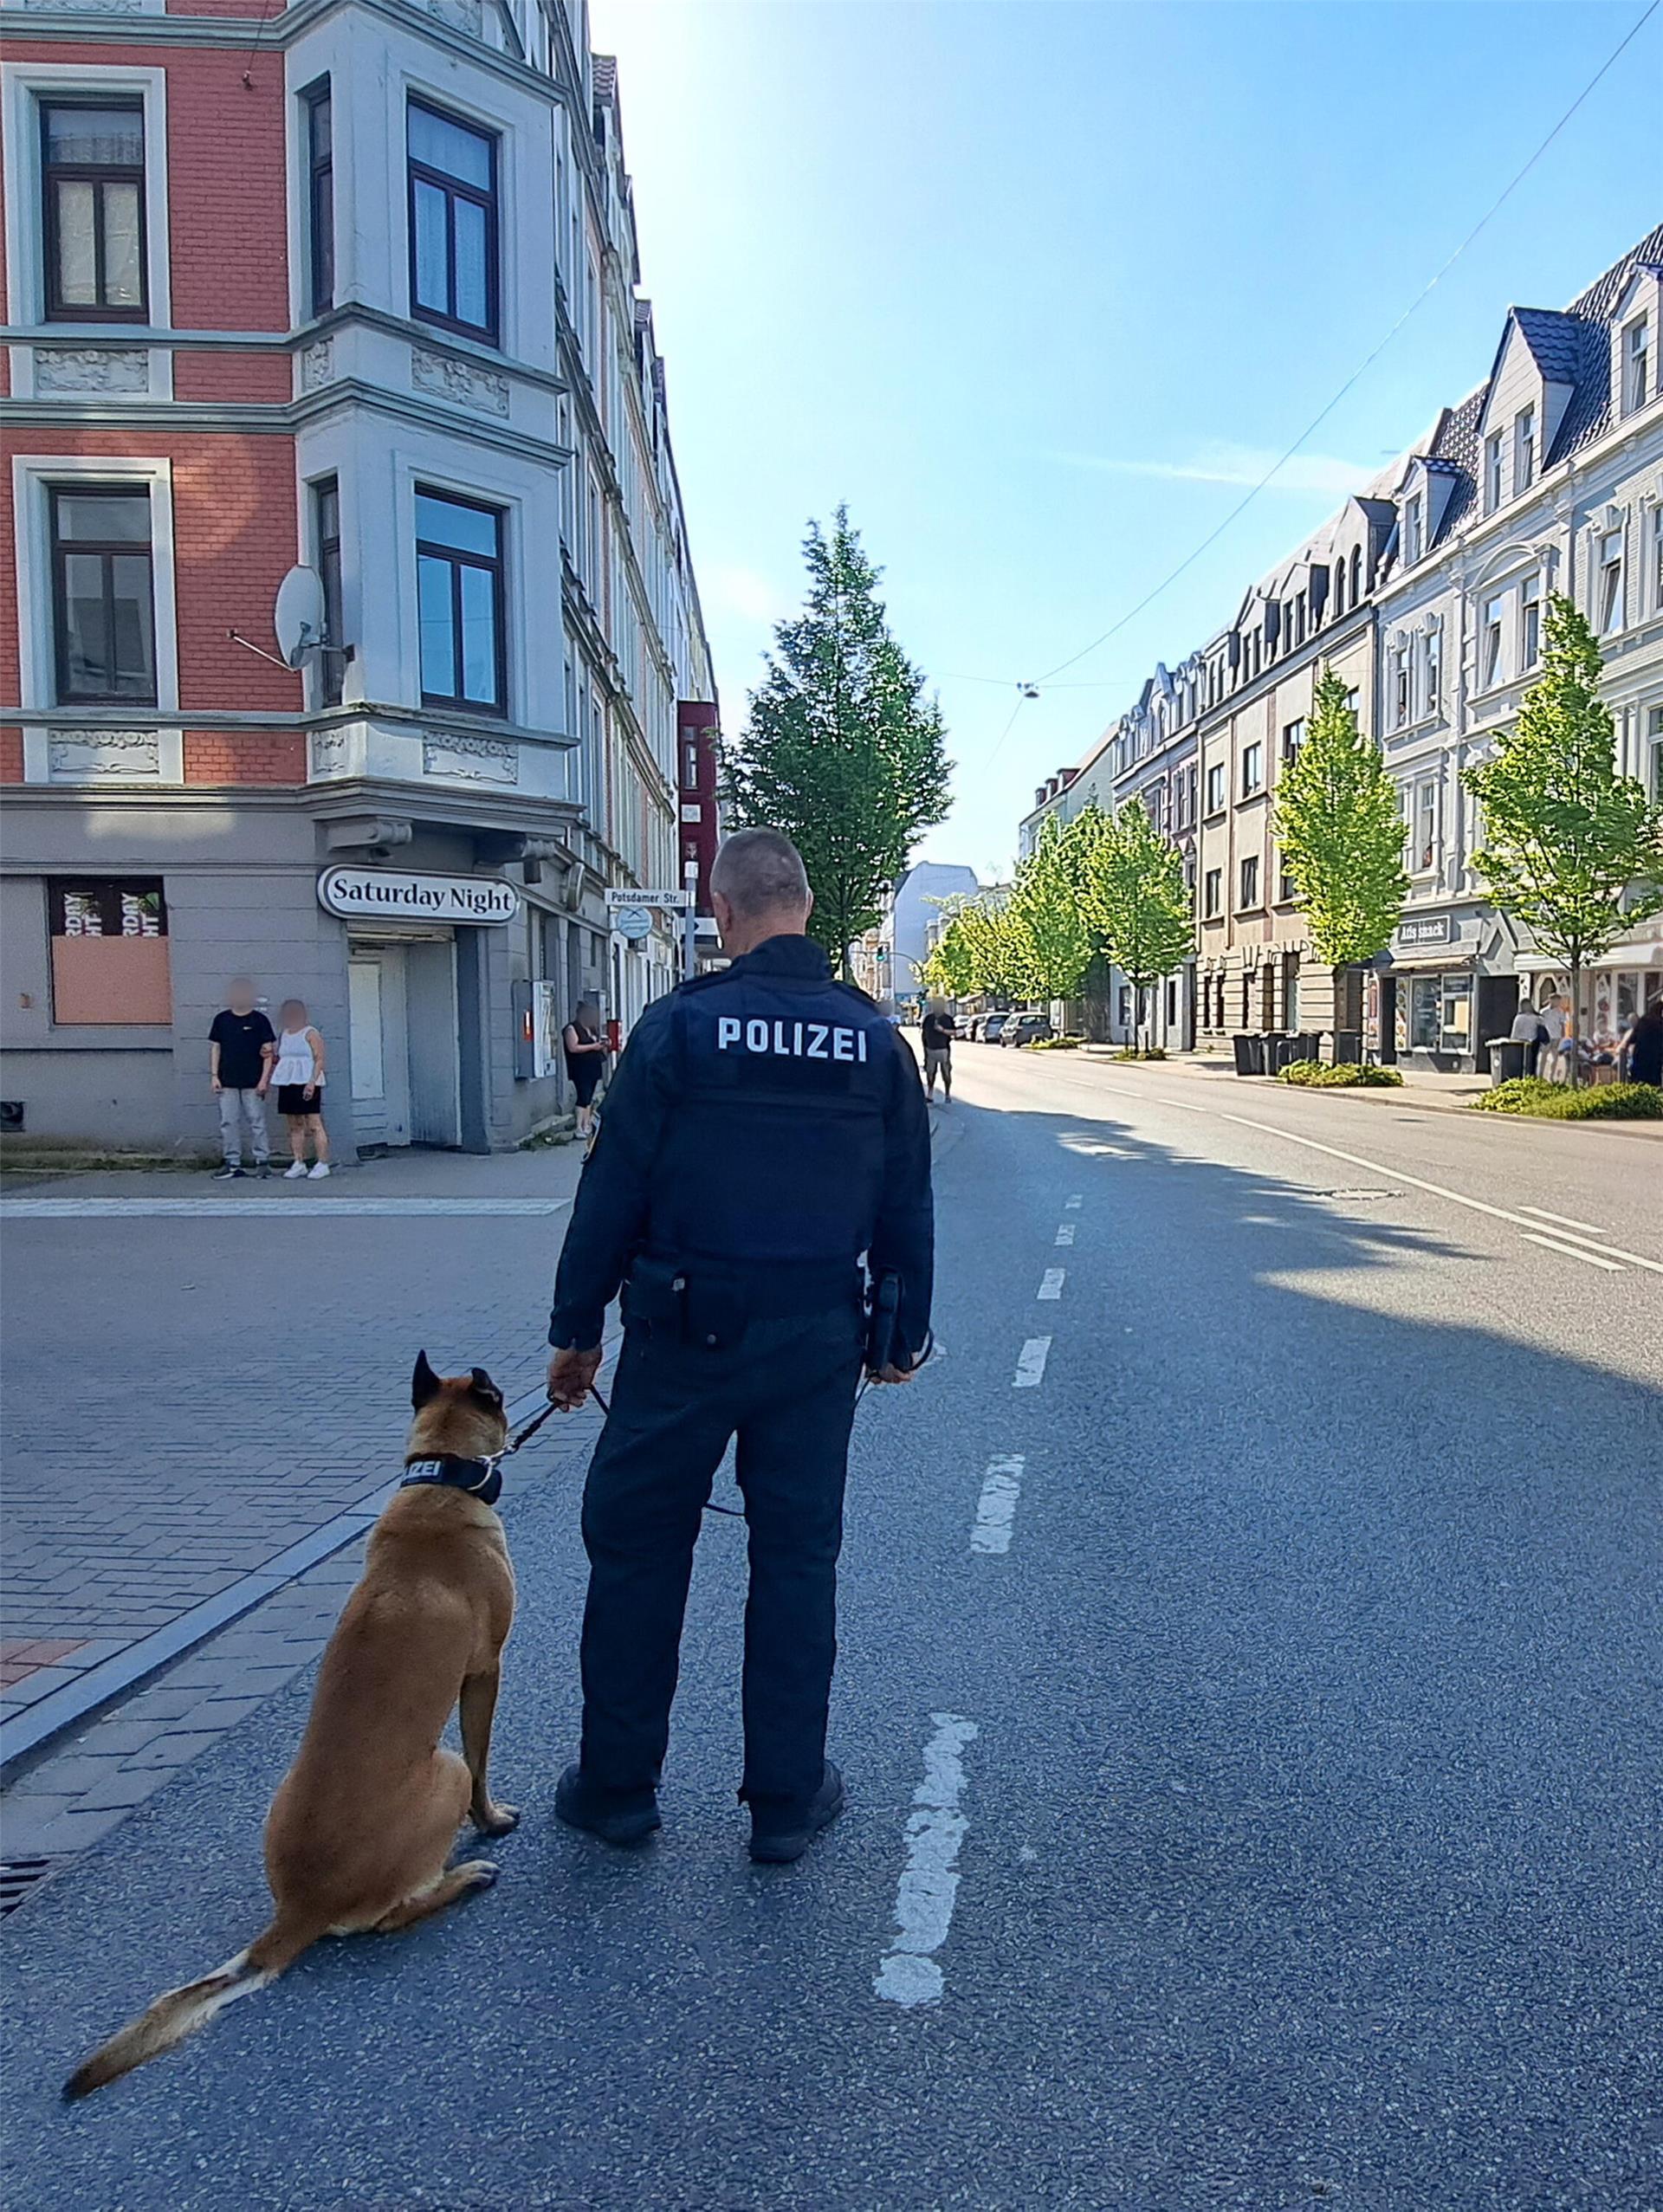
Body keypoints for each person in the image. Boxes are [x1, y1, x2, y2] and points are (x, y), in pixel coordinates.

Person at [545, 827, 934, 1864]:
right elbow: (906, 1204)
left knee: (636, 1553)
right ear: (805, 905)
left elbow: (610, 1193)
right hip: (816, 1338)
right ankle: (785, 1802)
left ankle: (619, 1790)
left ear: (723, 913)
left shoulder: (678, 1029)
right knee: (797, 1560)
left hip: (679, 1335)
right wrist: (901, 1336)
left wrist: (575, 1334)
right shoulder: (872, 1040)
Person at [209, 978, 275, 1180]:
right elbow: (216, 1048)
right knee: (228, 1122)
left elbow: (269, 1052)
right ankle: (232, 1163)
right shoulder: (221, 1020)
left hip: (253, 1082)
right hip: (227, 1080)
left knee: (257, 1122)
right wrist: (214, 1076)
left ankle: (262, 1163)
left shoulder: (260, 1021)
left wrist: (264, 1080)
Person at [270, 999, 330, 1180]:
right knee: (295, 1125)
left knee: (314, 1124)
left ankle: (322, 1163)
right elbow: (283, 1058)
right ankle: (298, 1162)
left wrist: (312, 1083)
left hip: (307, 1081)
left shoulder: (311, 1033)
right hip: (288, 1082)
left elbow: (319, 1059)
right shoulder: (284, 1034)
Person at [562, 999, 610, 1139]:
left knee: (589, 1096)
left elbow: (596, 1043)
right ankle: (579, 1127)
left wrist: (603, 1044)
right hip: (580, 1068)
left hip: (592, 1067)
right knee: (583, 1095)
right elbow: (573, 1047)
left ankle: (586, 1124)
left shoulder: (591, 1029)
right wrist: (593, 1047)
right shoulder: (572, 1028)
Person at [1621, 995, 1663, 1088]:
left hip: (1640, 1057)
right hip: (1654, 1059)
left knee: (1638, 1083)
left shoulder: (1644, 1021)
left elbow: (1631, 1039)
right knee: (1654, 1084)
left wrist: (1625, 1047)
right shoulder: (1659, 1023)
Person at [920, 1001, 956, 1103]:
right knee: (930, 1073)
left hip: (943, 1049)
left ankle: (947, 1094)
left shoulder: (947, 1019)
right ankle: (930, 1093)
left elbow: (955, 1032)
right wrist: (925, 1049)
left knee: (946, 1073)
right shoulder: (928, 1019)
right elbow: (924, 1034)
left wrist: (943, 1030)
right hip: (930, 1049)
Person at [1507, 993, 1548, 1079]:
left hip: (1520, 1043)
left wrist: (1511, 1041)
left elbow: (1515, 1032)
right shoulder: (1537, 1018)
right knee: (1532, 1062)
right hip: (1533, 1042)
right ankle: (1531, 1077)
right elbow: (1544, 1027)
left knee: (1520, 1062)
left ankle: (1521, 1077)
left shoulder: (1519, 1018)